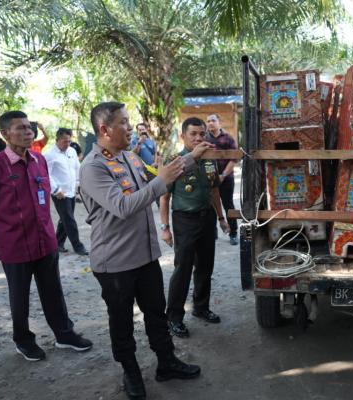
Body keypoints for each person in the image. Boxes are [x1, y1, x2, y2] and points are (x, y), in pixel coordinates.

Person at [80, 102, 213, 399]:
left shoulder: (130, 157)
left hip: (145, 256)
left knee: (156, 314)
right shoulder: (93, 167)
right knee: (122, 322)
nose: (130, 128)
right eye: (124, 123)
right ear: (105, 129)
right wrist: (162, 181)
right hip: (115, 263)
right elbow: (123, 206)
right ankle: (131, 373)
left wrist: (191, 157)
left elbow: (157, 179)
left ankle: (166, 363)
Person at [0, 110, 92, 362]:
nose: (28, 132)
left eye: (29, 127)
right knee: (19, 296)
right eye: (21, 128)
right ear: (5, 134)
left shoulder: (39, 159)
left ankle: (64, 334)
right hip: (14, 246)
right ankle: (23, 340)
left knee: (53, 291)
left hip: (45, 242)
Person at [159, 117, 229, 338]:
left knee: (205, 267)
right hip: (184, 221)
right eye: (193, 134)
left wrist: (221, 218)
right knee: (182, 269)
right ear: (183, 136)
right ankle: (174, 318)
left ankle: (201, 307)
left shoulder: (210, 160)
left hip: (207, 218)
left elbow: (215, 192)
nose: (199, 138)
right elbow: (164, 197)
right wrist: (165, 227)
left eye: (202, 134)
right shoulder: (174, 161)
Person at [44, 128, 88, 256]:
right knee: (69, 219)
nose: (67, 144)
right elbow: (46, 174)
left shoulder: (72, 151)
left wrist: (78, 184)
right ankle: (78, 246)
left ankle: (58, 243)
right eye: (64, 141)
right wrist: (56, 190)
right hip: (60, 193)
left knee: (65, 218)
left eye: (69, 141)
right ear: (57, 140)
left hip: (71, 190)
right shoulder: (50, 155)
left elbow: (76, 167)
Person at [205, 114, 239, 245]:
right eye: (208, 121)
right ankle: (212, 232)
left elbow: (234, 158)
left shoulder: (228, 138)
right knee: (211, 205)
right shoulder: (204, 139)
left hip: (226, 178)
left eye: (213, 120)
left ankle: (233, 233)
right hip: (209, 179)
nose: (210, 123)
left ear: (219, 122)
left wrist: (223, 175)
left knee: (228, 205)